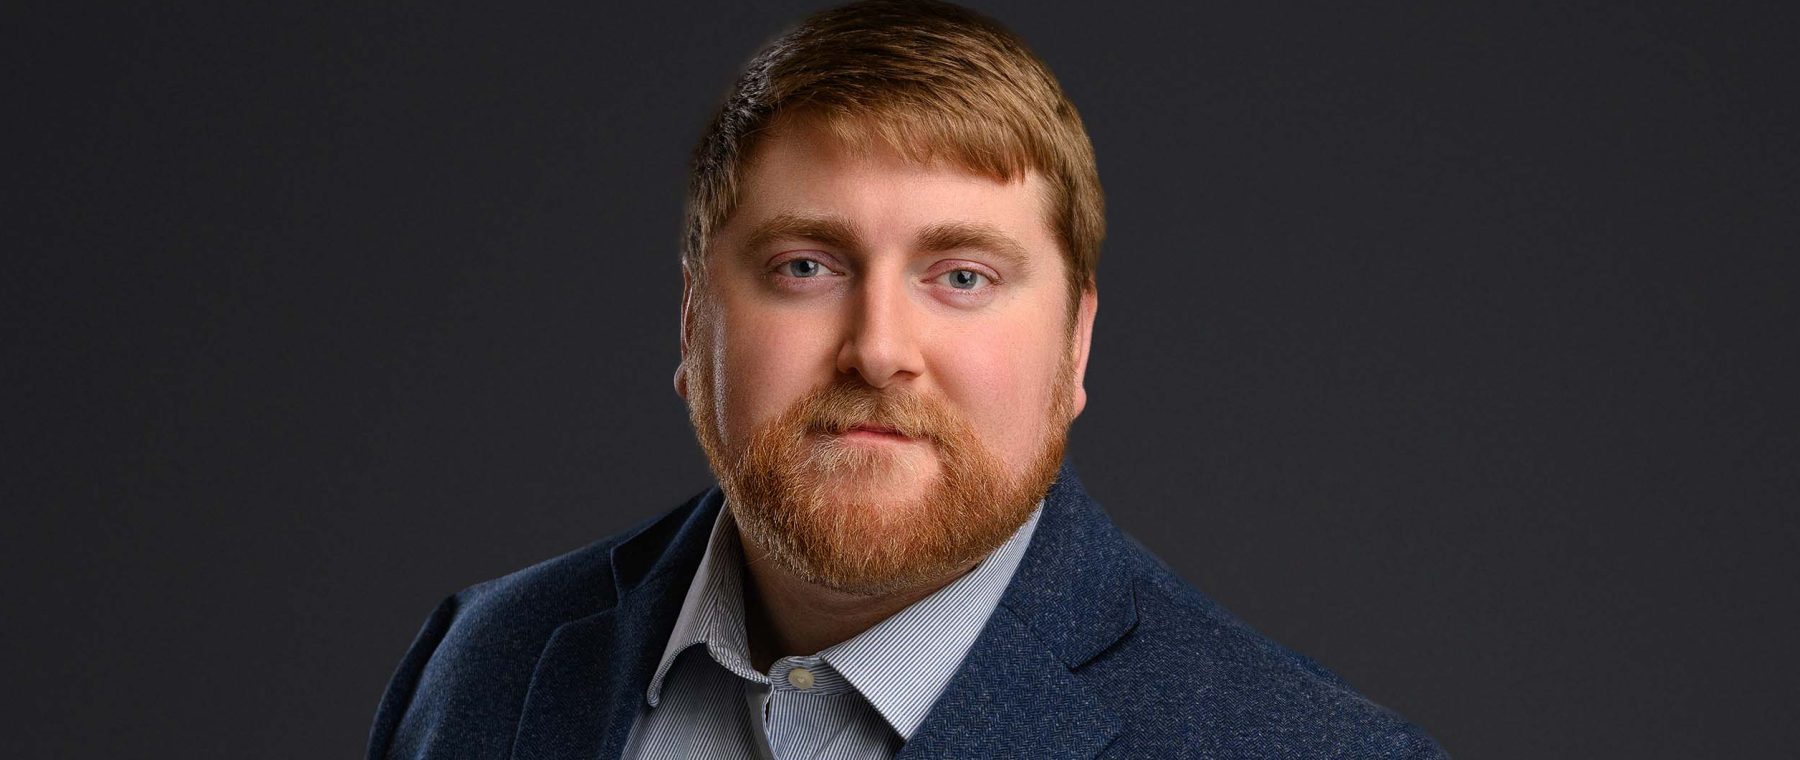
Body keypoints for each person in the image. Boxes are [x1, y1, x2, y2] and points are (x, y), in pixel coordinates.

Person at [367, 1, 1446, 757]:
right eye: (806, 266)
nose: (878, 346)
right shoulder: (480, 666)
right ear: (694, 321)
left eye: (962, 276)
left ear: (1075, 347)